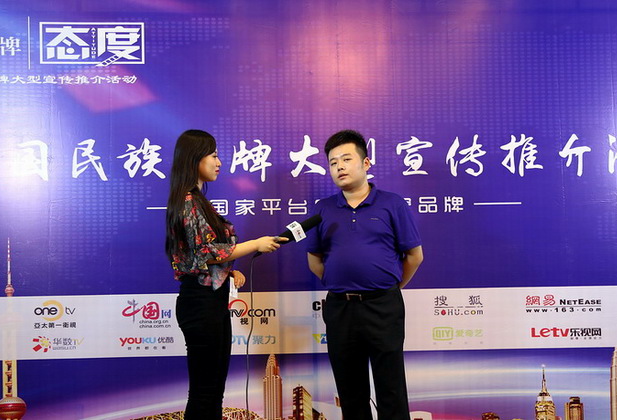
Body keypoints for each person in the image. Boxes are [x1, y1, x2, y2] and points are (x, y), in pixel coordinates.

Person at [165, 129, 287, 420]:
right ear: (195, 158)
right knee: (204, 391)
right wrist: (255, 244)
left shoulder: (197, 201)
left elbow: (201, 257)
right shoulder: (187, 201)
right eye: (213, 155)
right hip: (200, 304)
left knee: (214, 390)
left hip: (212, 301)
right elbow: (205, 251)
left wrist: (228, 274)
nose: (219, 162)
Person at [306, 129, 424, 420]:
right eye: (333, 162)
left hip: (383, 305)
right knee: (350, 390)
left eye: (347, 159)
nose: (340, 167)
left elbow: (414, 256)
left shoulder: (392, 204)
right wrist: (340, 282)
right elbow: (315, 260)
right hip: (340, 308)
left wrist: (389, 286)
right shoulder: (323, 209)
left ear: (366, 163)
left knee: (391, 387)